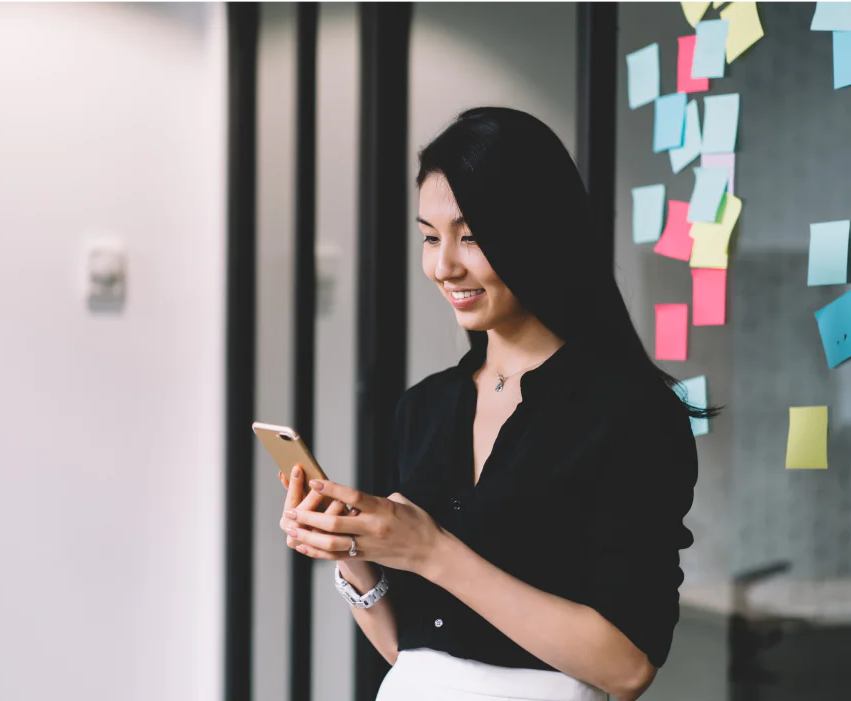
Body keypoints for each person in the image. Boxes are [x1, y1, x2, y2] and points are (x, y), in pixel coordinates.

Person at [277, 106, 715, 701]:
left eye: (472, 236)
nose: (443, 266)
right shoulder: (424, 410)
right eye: (431, 237)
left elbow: (627, 667)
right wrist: (353, 551)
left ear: (538, 235)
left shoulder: (629, 414)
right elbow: (412, 649)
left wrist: (430, 550)